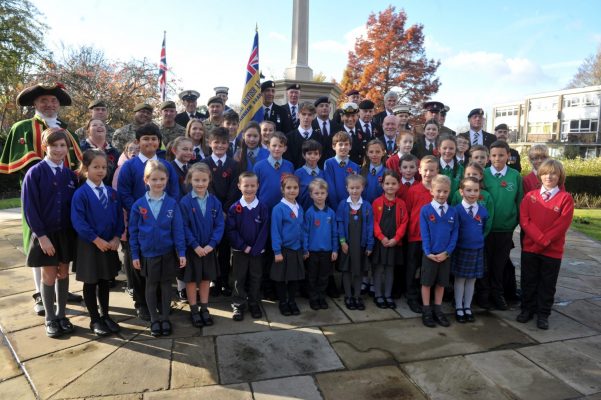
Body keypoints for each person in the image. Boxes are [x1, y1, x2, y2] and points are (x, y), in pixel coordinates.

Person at [0, 82, 83, 315]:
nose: (49, 104)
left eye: (53, 100)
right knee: (39, 246)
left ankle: (60, 292)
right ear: (35, 103)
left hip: (64, 202)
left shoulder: (68, 132)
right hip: (39, 202)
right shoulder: (22, 127)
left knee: (62, 252)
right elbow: (19, 165)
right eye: (44, 100)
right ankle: (40, 293)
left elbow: (77, 165)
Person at [117, 123, 180, 320]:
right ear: (138, 142)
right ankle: (141, 303)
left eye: (154, 138)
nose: (150, 142)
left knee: (162, 266)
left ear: (158, 142)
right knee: (137, 266)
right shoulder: (129, 166)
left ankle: (162, 301)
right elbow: (123, 193)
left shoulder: (166, 166)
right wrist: (140, 210)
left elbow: (174, 191)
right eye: (145, 139)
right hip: (139, 224)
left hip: (163, 226)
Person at [22, 128, 78, 337]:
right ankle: (50, 318)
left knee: (64, 273)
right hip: (46, 234)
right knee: (49, 275)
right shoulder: (35, 173)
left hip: (65, 234)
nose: (58, 149)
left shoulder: (70, 175)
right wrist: (42, 237)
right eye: (54, 145)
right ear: (45, 147)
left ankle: (62, 315)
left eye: (62, 145)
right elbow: (30, 208)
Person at [129, 160, 186, 337]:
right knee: (151, 285)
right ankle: (154, 319)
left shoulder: (171, 204)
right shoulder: (138, 205)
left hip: (167, 253)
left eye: (162, 179)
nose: (158, 183)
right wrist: (135, 254)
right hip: (148, 254)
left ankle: (165, 318)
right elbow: (133, 231)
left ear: (167, 179)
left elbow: (178, 230)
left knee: (167, 285)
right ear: (146, 180)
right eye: (154, 179)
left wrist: (181, 252)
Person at [71, 149, 123, 336]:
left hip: (108, 244)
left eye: (103, 167)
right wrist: (96, 239)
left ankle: (106, 315)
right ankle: (94, 319)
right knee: (91, 282)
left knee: (105, 281)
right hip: (90, 246)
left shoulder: (111, 193)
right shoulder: (81, 194)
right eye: (95, 167)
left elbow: (118, 217)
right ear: (86, 168)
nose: (100, 171)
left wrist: (117, 236)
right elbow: (78, 221)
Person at [518, 160, 574, 330]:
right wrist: (539, 241)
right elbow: (524, 220)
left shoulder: (566, 198)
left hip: (552, 251)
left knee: (547, 284)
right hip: (530, 249)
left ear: (560, 176)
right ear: (540, 175)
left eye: (554, 173)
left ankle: (543, 314)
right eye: (545, 173)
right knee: (528, 281)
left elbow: (562, 224)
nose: (549, 176)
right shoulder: (530, 196)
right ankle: (527, 309)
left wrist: (543, 242)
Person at [479, 140, 523, 310]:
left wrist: (514, 223)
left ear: (508, 156)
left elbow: (519, 202)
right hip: (485, 230)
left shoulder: (515, 176)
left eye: (501, 155)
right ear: (489, 157)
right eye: (494, 155)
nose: (497, 158)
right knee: (485, 264)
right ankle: (484, 294)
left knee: (500, 264)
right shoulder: (483, 174)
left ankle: (498, 294)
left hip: (505, 230)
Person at [179, 163, 224, 327]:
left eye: (204, 180)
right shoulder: (185, 202)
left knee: (205, 280)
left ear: (209, 180)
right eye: (196, 180)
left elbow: (220, 224)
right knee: (191, 281)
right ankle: (193, 310)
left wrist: (212, 244)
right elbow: (183, 226)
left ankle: (204, 308)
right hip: (193, 250)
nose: (200, 183)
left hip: (209, 249)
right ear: (190, 180)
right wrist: (195, 245)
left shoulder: (214, 201)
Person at [201, 127, 241, 297]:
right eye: (216, 142)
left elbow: (235, 189)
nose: (220, 145)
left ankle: (224, 281)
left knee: (225, 250)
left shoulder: (234, 164)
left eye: (224, 142)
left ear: (228, 144)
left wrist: (225, 210)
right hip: (210, 212)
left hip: (228, 212)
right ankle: (213, 281)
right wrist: (217, 210)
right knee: (211, 249)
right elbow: (207, 187)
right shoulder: (204, 164)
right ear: (210, 143)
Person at [227, 172, 270, 321]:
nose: (249, 188)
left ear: (258, 186)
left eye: (253, 185)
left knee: (256, 277)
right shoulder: (234, 208)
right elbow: (231, 231)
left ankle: (254, 303)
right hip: (240, 252)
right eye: (246, 185)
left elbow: (265, 230)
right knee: (238, 278)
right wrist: (244, 246)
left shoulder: (263, 207)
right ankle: (238, 304)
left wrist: (256, 248)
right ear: (239, 186)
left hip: (257, 252)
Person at [419, 175, 458, 328]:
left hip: (445, 255)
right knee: (427, 283)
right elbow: (425, 232)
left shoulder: (453, 212)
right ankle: (426, 311)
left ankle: (438, 309)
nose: (442, 195)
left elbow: (455, 234)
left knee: (441, 284)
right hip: (430, 255)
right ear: (431, 191)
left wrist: (447, 252)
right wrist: (428, 252)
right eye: (439, 191)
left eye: (445, 192)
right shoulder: (426, 210)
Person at [452, 177, 488, 324]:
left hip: (477, 249)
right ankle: (459, 307)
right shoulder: (456, 211)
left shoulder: (483, 211)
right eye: (468, 190)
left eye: (475, 190)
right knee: (460, 279)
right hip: (461, 249)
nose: (472, 193)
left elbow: (483, 227)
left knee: (472, 280)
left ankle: (467, 307)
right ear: (461, 192)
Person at [405, 155, 438, 313]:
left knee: (428, 269)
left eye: (432, 170)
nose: (428, 173)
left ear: (437, 171)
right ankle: (411, 296)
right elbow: (409, 212)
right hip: (415, 236)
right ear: (420, 171)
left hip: (433, 238)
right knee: (413, 266)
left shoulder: (438, 191)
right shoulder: (413, 190)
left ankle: (425, 296)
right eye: (425, 170)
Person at [336, 174, 374, 310]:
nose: (354, 190)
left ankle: (357, 296)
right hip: (347, 244)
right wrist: (342, 242)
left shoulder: (367, 206)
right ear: (347, 188)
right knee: (346, 270)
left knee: (358, 271)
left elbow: (370, 226)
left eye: (357, 187)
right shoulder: (343, 205)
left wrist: (370, 244)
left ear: (362, 188)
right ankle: (348, 296)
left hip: (361, 245)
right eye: (352, 188)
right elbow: (339, 224)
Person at [371, 171, 408, 309]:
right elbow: (373, 222)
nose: (390, 186)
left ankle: (387, 295)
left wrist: (396, 238)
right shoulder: (376, 202)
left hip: (394, 243)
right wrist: (381, 237)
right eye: (387, 183)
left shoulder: (401, 204)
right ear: (382, 185)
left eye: (393, 183)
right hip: (380, 242)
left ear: (399, 185)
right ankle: (378, 295)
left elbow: (404, 222)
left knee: (390, 270)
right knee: (379, 269)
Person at [271, 174, 305, 316]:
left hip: (297, 249)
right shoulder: (279, 208)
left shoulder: (300, 208)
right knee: (281, 277)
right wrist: (277, 251)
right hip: (284, 249)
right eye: (289, 188)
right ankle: (283, 302)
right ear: (282, 189)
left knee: (294, 277)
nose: (292, 191)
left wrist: (305, 248)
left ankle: (292, 301)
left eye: (295, 187)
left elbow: (303, 229)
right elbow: (276, 231)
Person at [303, 178, 338, 310]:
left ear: (327, 194)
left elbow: (335, 232)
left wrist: (335, 249)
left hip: (327, 251)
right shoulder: (309, 213)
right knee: (312, 277)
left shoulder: (331, 213)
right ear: (311, 195)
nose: (320, 196)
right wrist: (305, 249)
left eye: (322, 193)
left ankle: (321, 297)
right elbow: (305, 233)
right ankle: (313, 298)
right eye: (316, 193)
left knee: (324, 276)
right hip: (312, 252)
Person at [450, 162, 494, 237]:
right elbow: (452, 214)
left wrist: (483, 235)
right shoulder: (457, 194)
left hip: (478, 237)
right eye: (468, 174)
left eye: (474, 174)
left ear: (480, 176)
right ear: (464, 175)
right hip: (460, 237)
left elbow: (489, 218)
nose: (471, 176)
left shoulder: (487, 195)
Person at [254, 132, 295, 209]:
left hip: (284, 209)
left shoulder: (289, 166)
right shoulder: (258, 166)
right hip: (263, 209)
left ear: (285, 149)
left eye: (280, 146)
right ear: (268, 146)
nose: (277, 149)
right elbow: (255, 190)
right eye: (274, 145)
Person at [323, 131, 360, 210]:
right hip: (334, 206)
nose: (343, 147)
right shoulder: (329, 163)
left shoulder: (355, 166)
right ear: (334, 146)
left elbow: (357, 188)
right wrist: (336, 207)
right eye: (340, 144)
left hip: (351, 207)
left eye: (346, 144)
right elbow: (330, 188)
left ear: (350, 147)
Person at [285, 102, 324, 169]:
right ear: (298, 115)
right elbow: (287, 161)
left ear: (314, 116)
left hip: (315, 176)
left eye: (309, 115)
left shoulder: (320, 137)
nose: (306, 117)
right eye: (303, 114)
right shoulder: (289, 137)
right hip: (294, 176)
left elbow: (322, 160)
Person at [80, 119, 120, 185]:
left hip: (109, 191)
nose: (99, 126)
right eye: (94, 125)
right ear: (88, 131)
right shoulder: (81, 149)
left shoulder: (114, 151)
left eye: (102, 125)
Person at [295, 140, 325, 211]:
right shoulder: (298, 173)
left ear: (320, 156)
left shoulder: (323, 174)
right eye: (309, 153)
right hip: (303, 211)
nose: (312, 156)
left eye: (316, 153)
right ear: (303, 155)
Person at [312, 96, 340, 160]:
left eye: (326, 106)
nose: (324, 108)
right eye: (321, 106)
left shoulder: (337, 126)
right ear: (316, 109)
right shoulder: (311, 125)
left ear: (330, 109)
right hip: (316, 162)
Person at [360, 139, 386, 204]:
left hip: (380, 208)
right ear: (367, 153)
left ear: (383, 152)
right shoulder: (361, 171)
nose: (374, 155)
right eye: (371, 152)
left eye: (377, 152)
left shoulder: (387, 173)